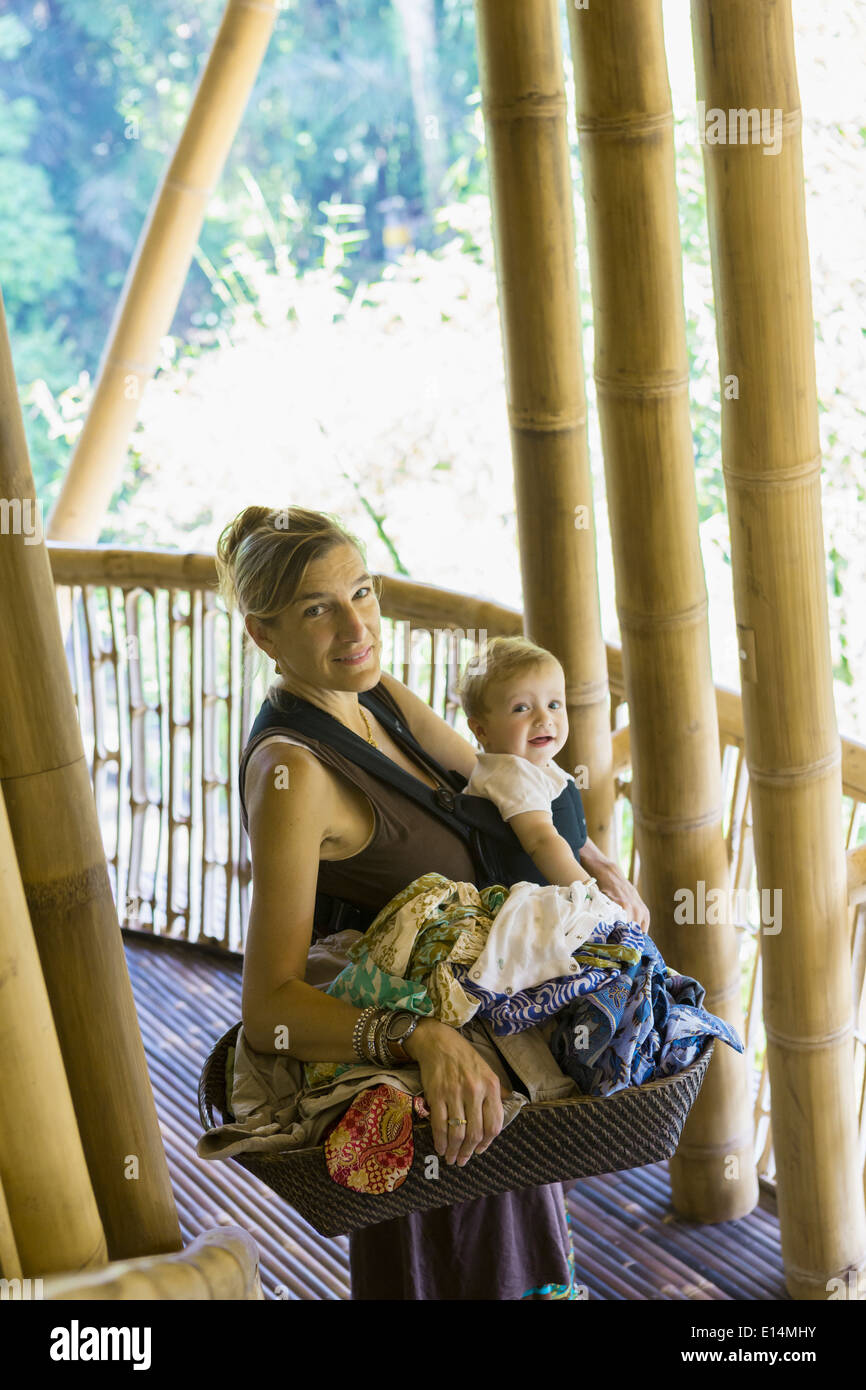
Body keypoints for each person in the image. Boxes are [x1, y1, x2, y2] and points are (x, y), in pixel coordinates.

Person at [215, 503, 649, 1300]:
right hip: (428, 1093)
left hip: (490, 1057)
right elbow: (267, 1008)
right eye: (318, 608)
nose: (356, 625)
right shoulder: (294, 773)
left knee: (524, 1268)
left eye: (363, 591)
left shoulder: (371, 692)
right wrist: (420, 1038)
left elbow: (501, 780)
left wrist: (587, 860)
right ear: (264, 636)